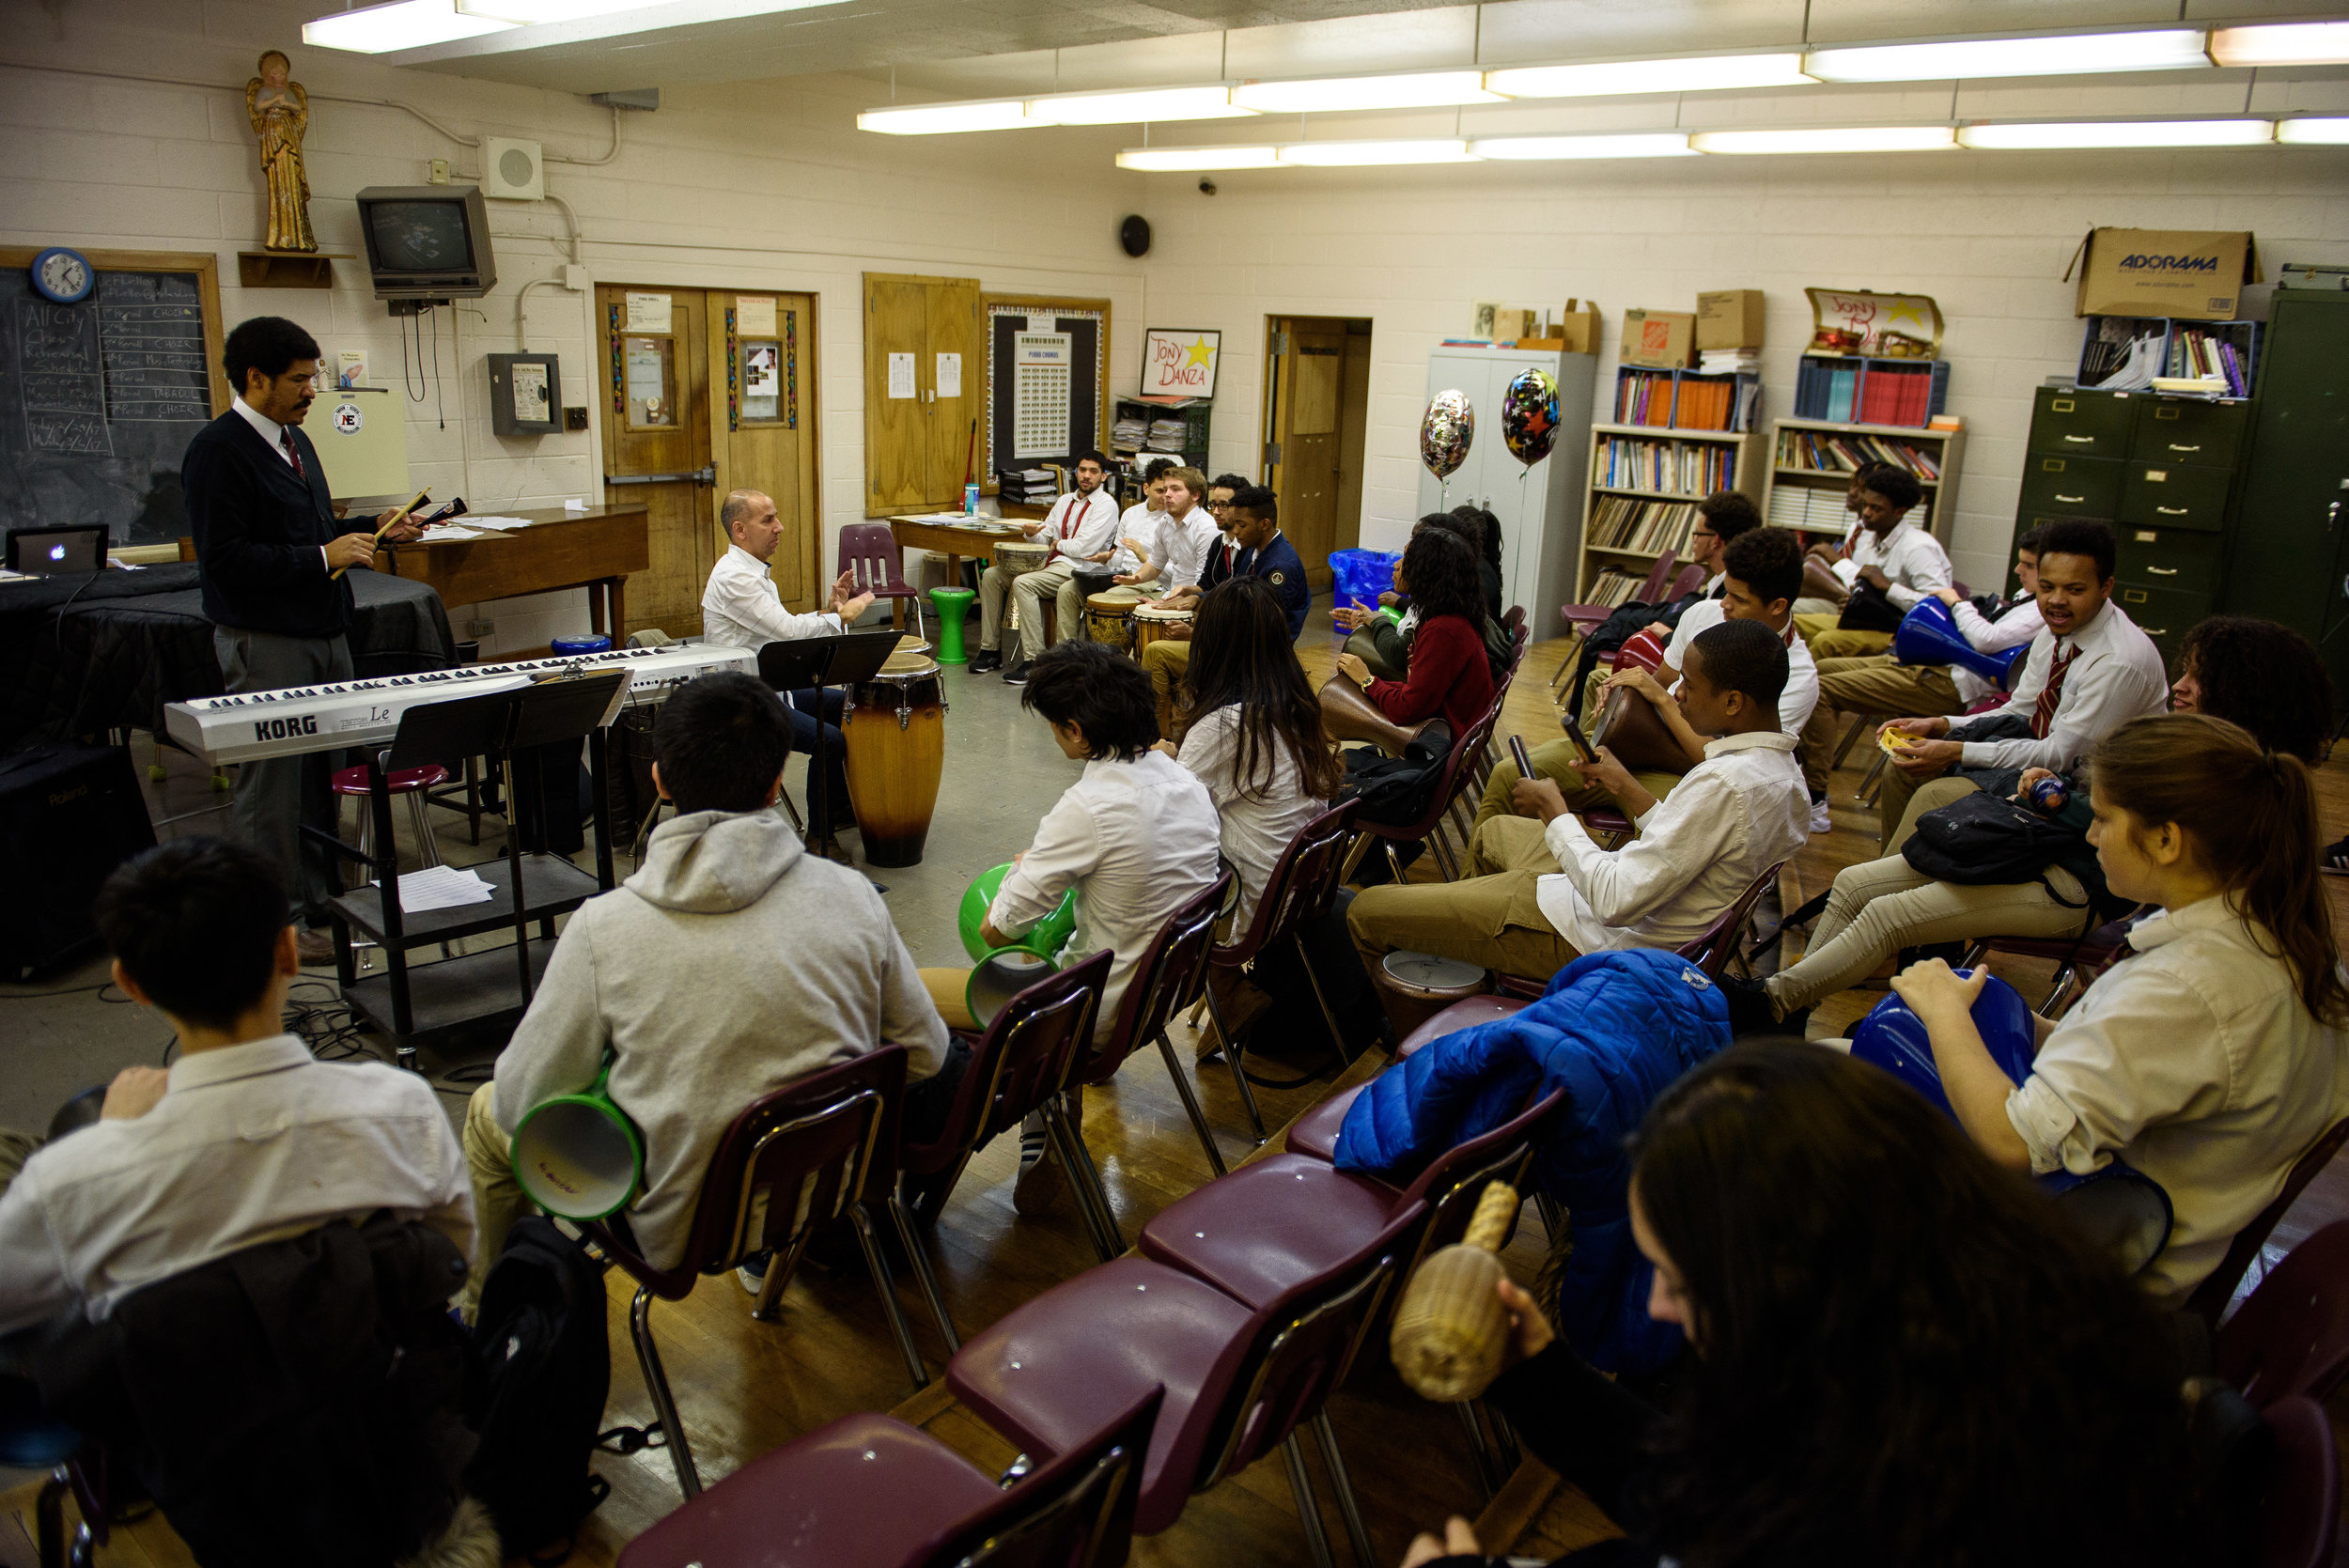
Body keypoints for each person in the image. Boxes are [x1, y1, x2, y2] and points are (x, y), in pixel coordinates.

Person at [1401, 1042, 2201, 1568]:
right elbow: (1710, 1492)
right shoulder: (1952, 1357)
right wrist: (1541, 1378)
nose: (1667, 1308)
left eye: (1682, 1279)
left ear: (1795, 1284)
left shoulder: (1909, 1513)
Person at [459, 672, 947, 1307]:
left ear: (659, 780)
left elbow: (524, 1102)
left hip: (683, 1226)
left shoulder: (603, 930)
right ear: (776, 784)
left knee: (484, 1111)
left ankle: (482, 1322)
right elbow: (926, 1053)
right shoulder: (851, 895)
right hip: (828, 1187)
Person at [1890, 713, 2349, 1305]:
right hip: (2116, 1231)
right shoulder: (2277, 941)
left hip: (2078, 1280)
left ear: (2165, 839)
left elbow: (2014, 1144)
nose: (2090, 835)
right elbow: (2151, 1066)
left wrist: (1943, 1009)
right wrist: (2029, 1024)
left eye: (2104, 819)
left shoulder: (2185, 989)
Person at [1735, 615, 2337, 1032]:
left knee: (1893, 909)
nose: (2178, 685)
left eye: (2197, 677)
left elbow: (2098, 821)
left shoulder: (2218, 782)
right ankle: (1785, 1008)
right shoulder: (2196, 752)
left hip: (2072, 876)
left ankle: (1774, 1005)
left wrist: (2057, 799)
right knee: (1856, 882)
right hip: (2044, 849)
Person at [0, 837, 469, 1337]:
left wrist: (111, 1142)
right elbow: (456, 1254)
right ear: (288, 952)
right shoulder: (404, 1109)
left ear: (130, 984)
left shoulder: (69, 1185)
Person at [1347, 619, 1806, 1006]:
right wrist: (1623, 784)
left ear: (1732, 702)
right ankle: (1468, 969)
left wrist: (1556, 812)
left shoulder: (1725, 783)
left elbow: (1613, 902)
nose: (1678, 693)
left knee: (1366, 910)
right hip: (1617, 901)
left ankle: (1409, 1022)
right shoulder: (1786, 781)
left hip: (1598, 939)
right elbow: (1690, 843)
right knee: (1497, 831)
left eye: (1691, 684)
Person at [917, 642, 1220, 1210]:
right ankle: (1050, 1115)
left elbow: (996, 931)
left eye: (1055, 728)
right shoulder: (1188, 785)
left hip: (1090, 1013)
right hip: (1161, 994)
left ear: (1077, 731)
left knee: (905, 992)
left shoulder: (1088, 806)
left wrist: (1029, 867)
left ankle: (1032, 1130)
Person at [181, 315, 423, 959]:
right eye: (299, 380)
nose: (313, 391)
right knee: (270, 789)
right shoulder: (217, 450)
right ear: (255, 378)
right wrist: (323, 556)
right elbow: (227, 560)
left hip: (324, 629)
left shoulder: (297, 441)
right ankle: (274, 928)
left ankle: (320, 900)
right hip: (268, 642)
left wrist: (378, 526)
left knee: (322, 777)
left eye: (313, 377)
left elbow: (311, 526)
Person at [1473, 526, 1813, 837]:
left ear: (1778, 606)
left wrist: (1662, 699)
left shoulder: (1797, 676)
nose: (1724, 604)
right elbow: (1658, 683)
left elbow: (1724, 765)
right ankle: (1475, 890)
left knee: (1670, 834)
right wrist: (1623, 690)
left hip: (1693, 780)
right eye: (1726, 591)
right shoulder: (1704, 614)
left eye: (1739, 600)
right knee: (1508, 774)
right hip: (1637, 749)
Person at [1874, 518, 2168, 855]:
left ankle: (1900, 878)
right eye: (2046, 587)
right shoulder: (2056, 631)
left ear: (2106, 587)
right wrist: (1942, 725)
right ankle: (1892, 867)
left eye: (2074, 590)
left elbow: (2061, 755)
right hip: (2042, 758)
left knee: (1935, 793)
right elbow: (2022, 708)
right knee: (1903, 769)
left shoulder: (2118, 660)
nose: (2056, 600)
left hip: (2085, 792)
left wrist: (1955, 750)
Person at [1796, 527, 2046, 815]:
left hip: (1952, 683)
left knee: (1823, 689)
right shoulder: (2024, 596)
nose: (2017, 569)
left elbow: (1985, 640)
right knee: (1822, 670)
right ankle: (1806, 765)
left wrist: (1957, 603)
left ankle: (1815, 799)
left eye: (2028, 565)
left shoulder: (2039, 610)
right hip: (1935, 663)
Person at [701, 487, 875, 860]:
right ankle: (820, 838)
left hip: (770, 685)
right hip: (741, 700)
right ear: (740, 530)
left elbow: (784, 630)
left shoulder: (753, 572)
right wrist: (837, 617)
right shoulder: (735, 578)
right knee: (828, 740)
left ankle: (838, 809)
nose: (779, 527)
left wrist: (830, 611)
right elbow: (790, 633)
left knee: (853, 705)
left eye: (776, 517)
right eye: (768, 520)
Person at [1139, 485, 1311, 736]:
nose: (1236, 531)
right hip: (1235, 647)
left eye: (1241, 525)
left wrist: (1196, 634)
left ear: (1264, 524)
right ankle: (1170, 729)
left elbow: (1258, 631)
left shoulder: (1279, 567)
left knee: (1157, 654)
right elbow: (1234, 597)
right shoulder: (1253, 550)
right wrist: (1196, 597)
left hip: (1254, 659)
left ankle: (1155, 736)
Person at [1332, 525, 1494, 741]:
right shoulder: (1443, 616)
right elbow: (1420, 688)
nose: (1397, 564)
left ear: (1427, 571)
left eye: (1407, 558)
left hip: (1441, 743)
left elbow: (1407, 709)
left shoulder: (1444, 630)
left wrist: (1367, 680)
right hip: (1440, 729)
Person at [971, 450, 1118, 676]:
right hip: (1050, 563)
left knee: (1023, 583)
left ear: (1103, 477)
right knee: (991, 575)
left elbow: (1084, 548)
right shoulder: (1064, 500)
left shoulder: (1106, 505)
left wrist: (1057, 543)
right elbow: (1045, 538)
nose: (1086, 476)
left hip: (1079, 568)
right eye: (1082, 470)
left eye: (1093, 472)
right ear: (1076, 472)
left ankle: (1034, 659)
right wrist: (1032, 535)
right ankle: (990, 650)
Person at [1791, 467, 1952, 660]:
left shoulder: (1918, 547)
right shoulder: (1868, 536)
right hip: (1866, 620)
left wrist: (1888, 587)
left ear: (1899, 511)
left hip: (1900, 632)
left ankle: (1807, 687)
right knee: (1793, 623)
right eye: (1865, 505)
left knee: (1825, 641)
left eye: (1876, 508)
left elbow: (1940, 607)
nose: (1866, 513)